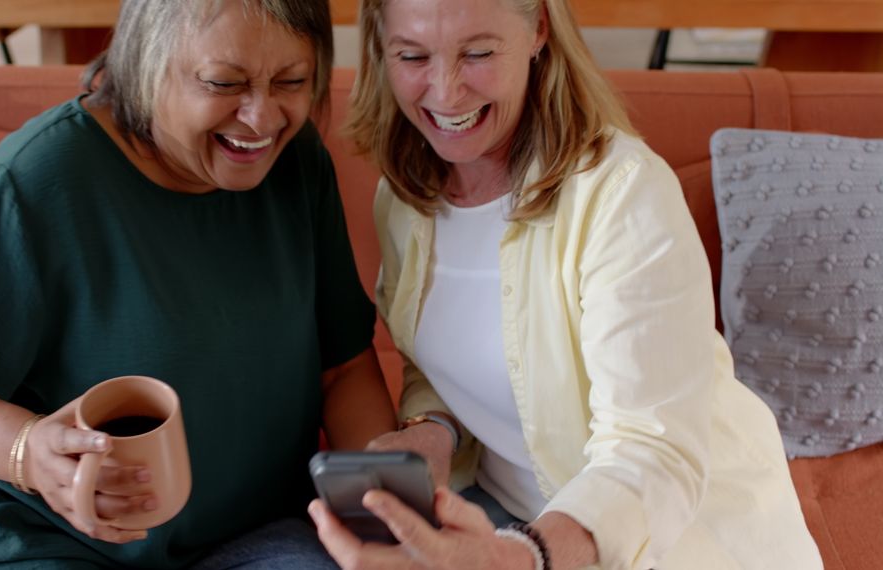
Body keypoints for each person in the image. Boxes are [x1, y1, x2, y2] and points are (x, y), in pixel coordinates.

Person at [0, 0, 397, 568]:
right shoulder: (34, 181)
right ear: (143, 64)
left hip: (247, 535)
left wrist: (383, 517)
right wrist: (28, 452)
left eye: (292, 81)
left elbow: (344, 366)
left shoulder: (296, 159)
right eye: (223, 83)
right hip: (35, 540)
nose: (262, 118)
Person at [307, 0, 825, 568]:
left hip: (681, 544)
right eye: (413, 56)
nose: (446, 92)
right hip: (512, 521)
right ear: (380, 48)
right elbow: (444, 363)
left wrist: (522, 556)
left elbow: (651, 450)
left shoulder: (623, 192)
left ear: (538, 30)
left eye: (478, 53)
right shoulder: (407, 199)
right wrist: (433, 432)